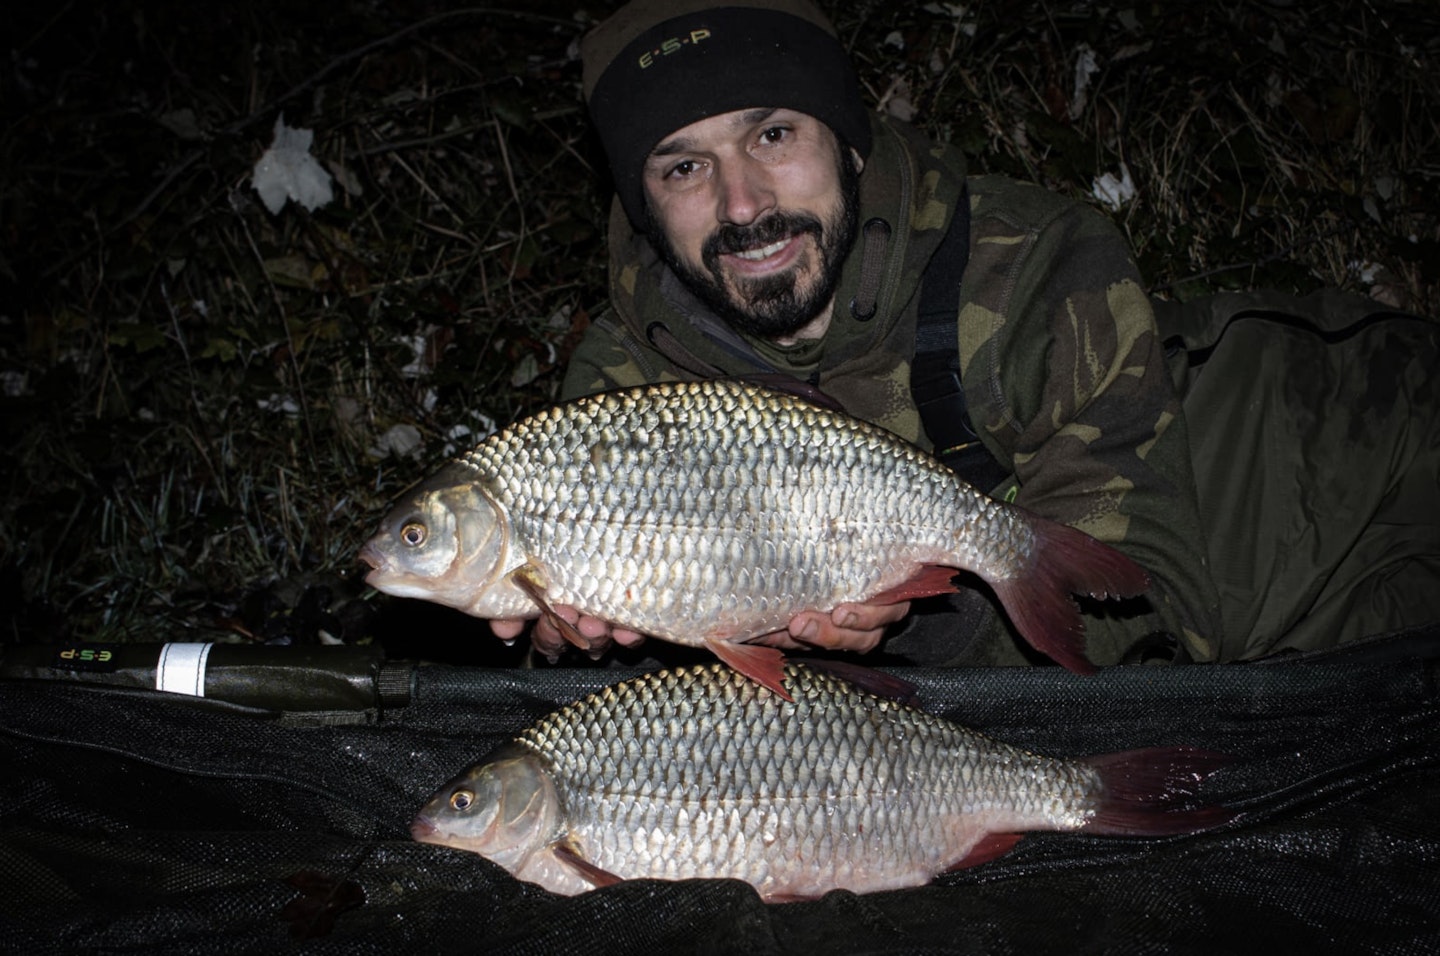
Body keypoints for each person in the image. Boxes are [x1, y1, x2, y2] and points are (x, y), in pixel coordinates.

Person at [491, 0, 1440, 667]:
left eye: (773, 135)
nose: (743, 204)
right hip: (1247, 646)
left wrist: (924, 621)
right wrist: (576, 641)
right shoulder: (621, 384)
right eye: (683, 167)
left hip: (1350, 480)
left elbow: (1148, 594)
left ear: (849, 140)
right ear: (643, 206)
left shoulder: (1033, 262)